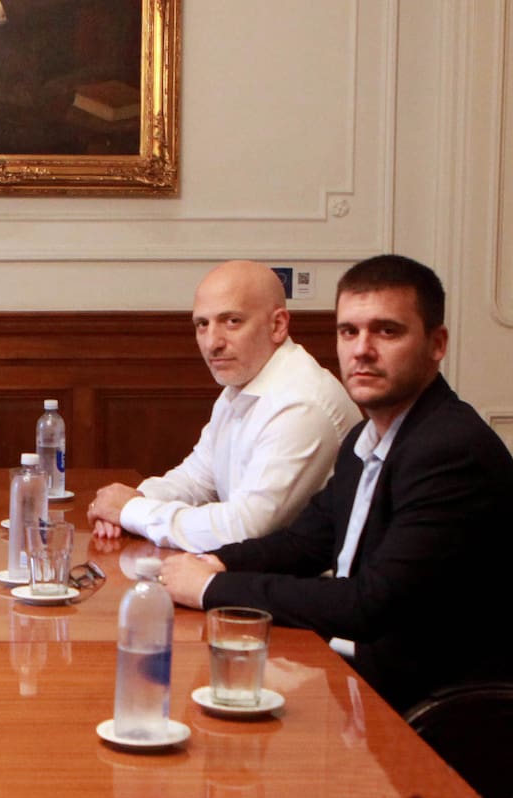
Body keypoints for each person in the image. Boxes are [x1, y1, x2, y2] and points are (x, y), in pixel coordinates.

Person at [160, 255, 513, 712]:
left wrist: (210, 588)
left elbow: (368, 604)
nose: (361, 349)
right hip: (363, 680)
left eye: (387, 331)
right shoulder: (365, 441)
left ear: (436, 343)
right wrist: (212, 562)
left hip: (442, 709)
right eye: (349, 332)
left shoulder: (449, 450)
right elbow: (304, 544)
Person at [87, 260, 361, 552]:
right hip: (257, 576)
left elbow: (245, 528)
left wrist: (131, 511)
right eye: (202, 325)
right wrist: (132, 500)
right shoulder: (243, 384)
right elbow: (197, 479)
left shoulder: (301, 404)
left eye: (232, 321)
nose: (212, 343)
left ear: (278, 325)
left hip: (305, 588)